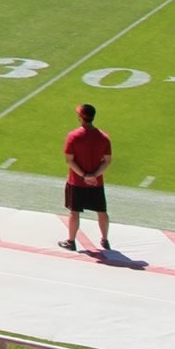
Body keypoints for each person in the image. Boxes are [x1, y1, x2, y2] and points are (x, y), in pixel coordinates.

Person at [60, 103, 113, 252]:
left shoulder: (73, 136)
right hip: (96, 183)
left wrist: (84, 176)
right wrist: (94, 176)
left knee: (74, 212)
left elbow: (69, 160)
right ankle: (105, 239)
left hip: (76, 181)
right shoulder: (103, 137)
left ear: (80, 117)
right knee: (102, 211)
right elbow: (107, 161)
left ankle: (71, 241)